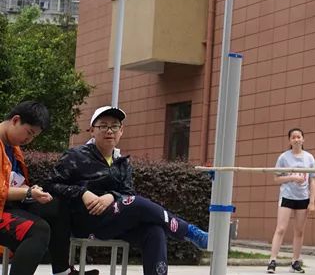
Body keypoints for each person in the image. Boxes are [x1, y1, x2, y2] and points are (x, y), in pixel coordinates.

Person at [45, 106, 208, 275]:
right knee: (137, 203)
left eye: (115, 126)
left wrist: (111, 196)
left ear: (121, 131)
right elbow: (51, 185)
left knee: (154, 230)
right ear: (92, 130)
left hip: (114, 221)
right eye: (103, 126)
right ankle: (188, 231)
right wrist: (82, 193)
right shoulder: (75, 155)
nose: (109, 131)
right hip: (85, 219)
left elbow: (128, 192)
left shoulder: (122, 163)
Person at [0, 101, 100, 275]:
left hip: (8, 205)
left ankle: (62, 271)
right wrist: (28, 192)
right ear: (16, 120)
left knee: (56, 206)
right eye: (29, 133)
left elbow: (11, 182)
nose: (28, 140)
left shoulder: (13, 148)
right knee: (39, 230)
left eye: (33, 137)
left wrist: (30, 191)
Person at [267, 128, 315, 274]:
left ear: (303, 139)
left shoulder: (309, 158)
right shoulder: (283, 157)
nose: (296, 139)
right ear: (290, 140)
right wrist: (292, 178)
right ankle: (272, 260)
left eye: (299, 137)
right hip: (287, 196)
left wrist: (312, 202)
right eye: (293, 137)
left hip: (303, 198)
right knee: (281, 228)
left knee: (299, 231)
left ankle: (295, 262)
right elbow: (276, 179)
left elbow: (312, 181)